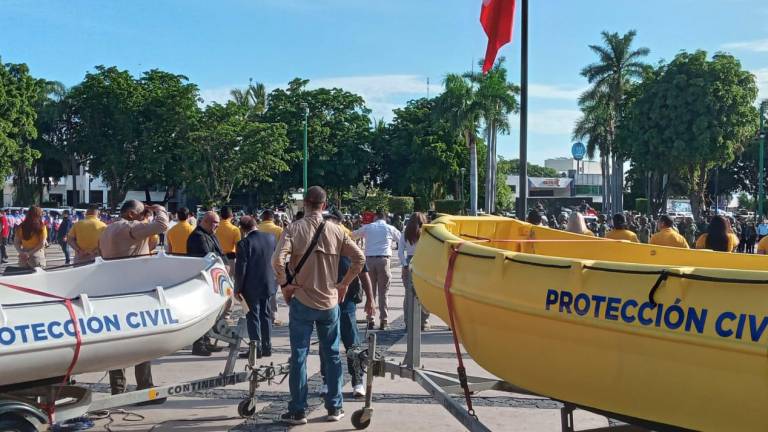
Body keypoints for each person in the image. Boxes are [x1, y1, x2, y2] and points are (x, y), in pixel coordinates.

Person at [272, 186, 365, 424]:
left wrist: (285, 284)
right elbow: (359, 259)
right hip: (329, 302)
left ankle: (298, 410)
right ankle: (334, 407)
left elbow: (277, 260)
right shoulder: (337, 230)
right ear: (324, 205)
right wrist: (343, 284)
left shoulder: (293, 229)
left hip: (302, 299)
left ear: (305, 203)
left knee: (299, 355)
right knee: (333, 354)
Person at [99, 200, 168, 404]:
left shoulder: (107, 229)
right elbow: (162, 225)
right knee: (142, 340)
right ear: (130, 214)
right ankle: (144, 386)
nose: (143, 217)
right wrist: (158, 210)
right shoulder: (129, 228)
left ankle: (118, 390)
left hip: (111, 290)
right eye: (140, 214)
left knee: (116, 343)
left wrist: (145, 217)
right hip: (133, 291)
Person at [319, 209, 375, 398]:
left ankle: (357, 380)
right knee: (326, 342)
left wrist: (371, 299)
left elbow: (363, 272)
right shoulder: (318, 244)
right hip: (324, 299)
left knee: (352, 342)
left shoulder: (348, 243)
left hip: (346, 301)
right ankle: (327, 380)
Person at [234, 216, 277, 360]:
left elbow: (241, 269)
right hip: (268, 282)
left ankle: (255, 348)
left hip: (251, 285)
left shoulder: (244, 243)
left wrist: (237, 288)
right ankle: (267, 346)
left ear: (242, 228)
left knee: (253, 317)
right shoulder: (271, 238)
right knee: (266, 315)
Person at [351, 209, 402, 330]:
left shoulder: (368, 227)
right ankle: (383, 320)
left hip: (369, 260)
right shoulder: (390, 228)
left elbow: (353, 235)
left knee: (370, 292)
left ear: (376, 217)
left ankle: (370, 319)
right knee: (384, 292)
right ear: (384, 218)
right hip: (384, 260)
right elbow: (401, 239)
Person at [187, 211, 228, 356]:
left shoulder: (210, 235)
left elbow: (220, 253)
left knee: (210, 314)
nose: (216, 226)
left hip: (213, 280)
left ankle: (206, 340)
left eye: (217, 223)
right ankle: (199, 345)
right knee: (202, 314)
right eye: (214, 223)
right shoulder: (198, 236)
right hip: (202, 281)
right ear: (204, 222)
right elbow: (207, 256)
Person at [399, 212, 430, 330]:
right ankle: (423, 321)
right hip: (423, 262)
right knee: (424, 294)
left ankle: (408, 321)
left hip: (409, 261)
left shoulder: (405, 233)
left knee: (408, 294)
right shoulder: (426, 234)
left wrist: (405, 265)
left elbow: (400, 252)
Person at [258, 209, 285, 325]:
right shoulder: (278, 230)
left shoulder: (257, 228)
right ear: (272, 218)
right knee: (273, 290)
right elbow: (283, 249)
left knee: (259, 289)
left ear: (262, 218)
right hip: (274, 263)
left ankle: (260, 313)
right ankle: (273, 315)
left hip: (258, 263)